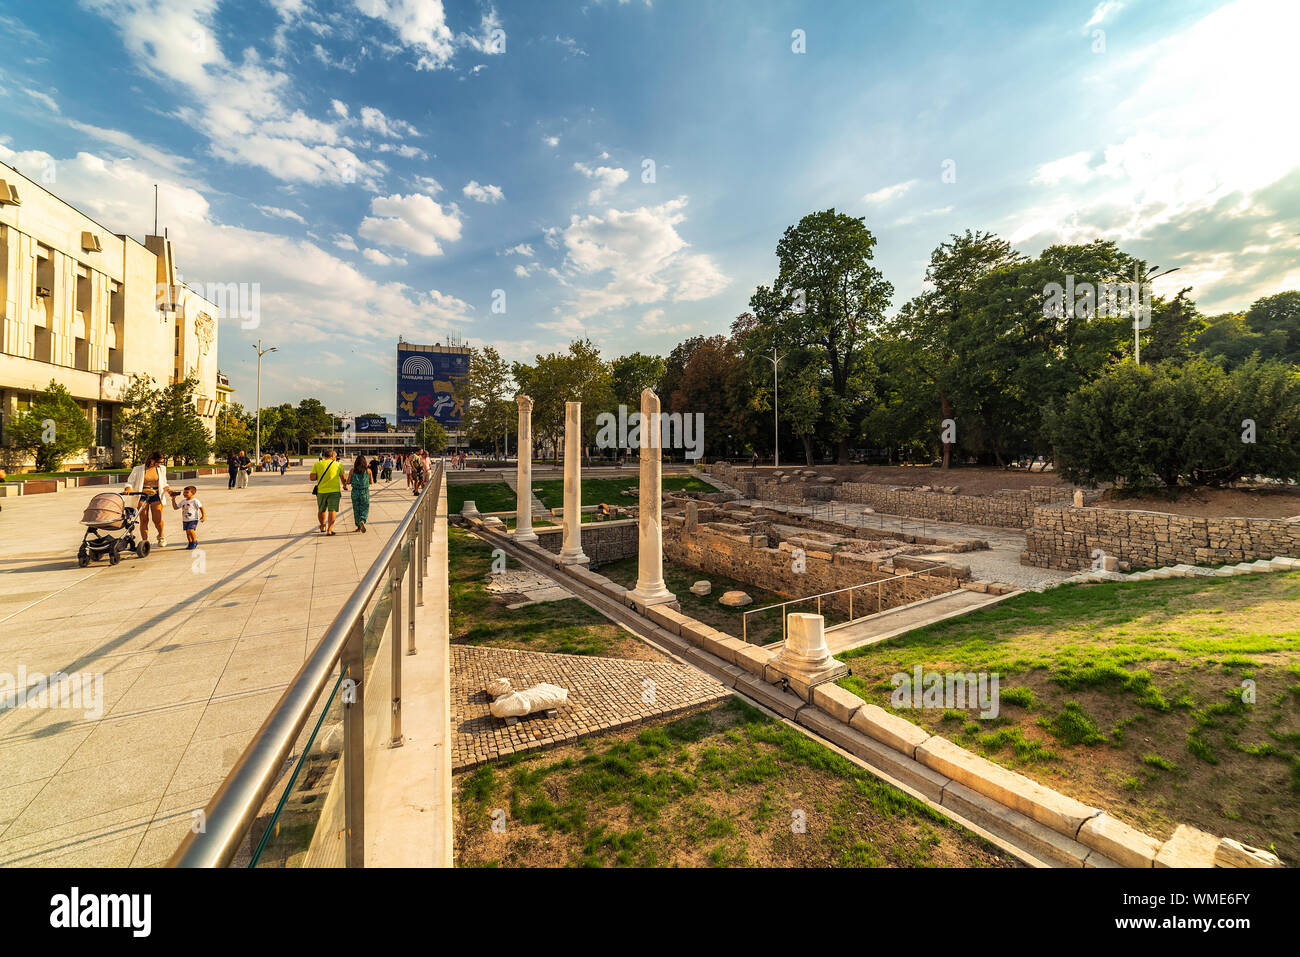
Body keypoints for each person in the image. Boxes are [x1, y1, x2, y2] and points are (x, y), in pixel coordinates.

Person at [124, 451, 171, 547]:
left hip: (156, 495)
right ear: (152, 459)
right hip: (142, 495)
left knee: (157, 519)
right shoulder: (138, 469)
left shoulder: (161, 469)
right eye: (158, 462)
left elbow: (164, 483)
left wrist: (169, 490)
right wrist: (128, 488)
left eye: (161, 462)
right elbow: (130, 482)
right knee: (144, 519)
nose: (159, 464)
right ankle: (145, 542)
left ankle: (161, 536)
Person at [309, 449, 344, 535]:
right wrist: (345, 485)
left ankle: (323, 526)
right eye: (335, 456)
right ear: (332, 456)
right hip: (334, 491)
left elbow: (312, 478)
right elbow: (343, 478)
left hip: (321, 491)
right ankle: (329, 530)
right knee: (332, 510)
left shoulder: (317, 464)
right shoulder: (338, 465)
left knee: (321, 510)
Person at [169, 485, 206, 550]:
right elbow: (175, 507)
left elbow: (201, 508)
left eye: (187, 492)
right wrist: (173, 499)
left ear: (193, 493)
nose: (184, 494)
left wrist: (203, 516)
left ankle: (194, 541)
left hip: (193, 519)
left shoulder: (195, 501)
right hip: (185, 520)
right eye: (184, 492)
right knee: (187, 533)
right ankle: (190, 542)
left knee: (190, 530)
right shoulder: (183, 501)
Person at [344, 454, 371, 533]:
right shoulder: (368, 471)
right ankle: (362, 520)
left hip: (355, 492)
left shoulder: (352, 471)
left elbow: (348, 482)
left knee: (356, 509)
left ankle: (358, 527)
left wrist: (346, 482)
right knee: (365, 508)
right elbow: (371, 482)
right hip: (365, 492)